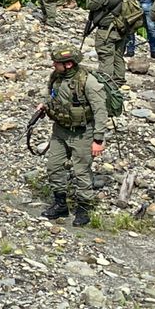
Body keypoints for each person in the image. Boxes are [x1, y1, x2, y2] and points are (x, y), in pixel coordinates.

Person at [35, 47, 107, 227]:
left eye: (56, 63)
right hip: (60, 130)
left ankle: (84, 209)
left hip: (83, 132)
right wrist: (45, 106)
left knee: (81, 171)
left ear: (68, 64)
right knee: (54, 166)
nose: (53, 65)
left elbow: (100, 111)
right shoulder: (56, 77)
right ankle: (60, 205)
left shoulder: (89, 82)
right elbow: (52, 95)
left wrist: (98, 139)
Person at [81, 0, 131, 84]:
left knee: (106, 56)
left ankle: (105, 82)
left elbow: (90, 5)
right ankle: (119, 80)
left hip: (106, 31)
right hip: (121, 29)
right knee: (118, 56)